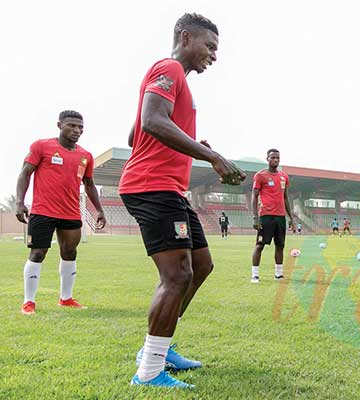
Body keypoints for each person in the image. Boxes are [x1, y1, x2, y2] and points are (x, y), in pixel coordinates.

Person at [121, 13, 246, 389]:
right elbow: (151, 122)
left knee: (202, 265)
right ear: (185, 37)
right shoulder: (169, 68)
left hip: (168, 188)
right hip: (151, 186)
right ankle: (149, 372)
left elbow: (134, 135)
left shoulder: (177, 83)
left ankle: (160, 347)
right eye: (210, 46)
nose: (214, 54)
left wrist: (191, 143)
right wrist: (212, 157)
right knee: (177, 275)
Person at [15, 110, 107, 315]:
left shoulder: (86, 156)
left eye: (80, 127)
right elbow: (25, 173)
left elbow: (89, 184)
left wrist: (99, 210)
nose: (77, 130)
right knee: (38, 253)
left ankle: (66, 298)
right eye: (72, 126)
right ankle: (28, 302)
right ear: (59, 125)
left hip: (71, 213)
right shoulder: (41, 146)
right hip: (43, 211)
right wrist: (20, 202)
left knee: (69, 253)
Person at [251, 149, 293, 283]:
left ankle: (278, 274)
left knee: (280, 245)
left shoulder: (284, 177)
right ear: (267, 159)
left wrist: (291, 217)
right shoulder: (260, 175)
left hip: (280, 217)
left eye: (278, 158)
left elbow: (285, 197)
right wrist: (255, 217)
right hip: (266, 216)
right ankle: (255, 275)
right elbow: (254, 196)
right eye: (273, 157)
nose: (276, 160)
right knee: (260, 245)